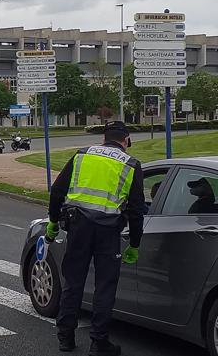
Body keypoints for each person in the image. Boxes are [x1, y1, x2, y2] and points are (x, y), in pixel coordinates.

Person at [47, 121, 144, 356]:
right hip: (108, 231)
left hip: (78, 226)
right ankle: (99, 342)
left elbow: (58, 190)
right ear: (127, 140)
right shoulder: (131, 164)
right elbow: (137, 209)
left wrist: (52, 221)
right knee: (105, 286)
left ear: (104, 138)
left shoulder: (82, 155)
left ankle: (66, 337)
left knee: (73, 281)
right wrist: (134, 244)